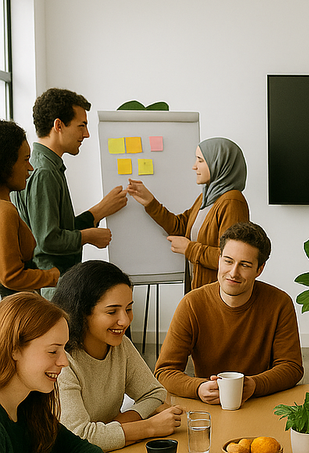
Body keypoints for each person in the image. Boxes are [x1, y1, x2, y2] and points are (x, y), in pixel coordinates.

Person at [0, 292, 146, 453]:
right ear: (13, 349)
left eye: (64, 349)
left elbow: (69, 450)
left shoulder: (27, 402)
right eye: (53, 351)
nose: (64, 362)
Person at [34, 261, 183, 453]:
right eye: (112, 311)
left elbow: (154, 392)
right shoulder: (61, 360)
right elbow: (80, 438)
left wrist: (119, 423)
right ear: (82, 312)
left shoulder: (120, 346)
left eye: (128, 308)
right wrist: (149, 427)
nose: (125, 320)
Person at [154, 221, 303, 403]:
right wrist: (198, 388)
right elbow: (164, 371)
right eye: (228, 261)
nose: (233, 272)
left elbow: (291, 367)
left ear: (259, 269)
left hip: (261, 400)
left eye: (245, 265)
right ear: (219, 259)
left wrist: (255, 384)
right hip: (209, 403)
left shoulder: (280, 303)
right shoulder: (192, 304)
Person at [11, 88, 127, 297]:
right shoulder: (45, 172)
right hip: (52, 290)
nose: (86, 134)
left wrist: (98, 211)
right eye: (81, 125)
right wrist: (88, 236)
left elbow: (57, 228)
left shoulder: (47, 166)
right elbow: (47, 239)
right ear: (58, 125)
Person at [127, 137, 249, 291]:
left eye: (200, 160)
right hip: (198, 289)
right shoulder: (206, 198)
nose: (194, 166)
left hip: (216, 295)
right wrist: (150, 202)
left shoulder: (232, 201)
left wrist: (189, 249)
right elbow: (179, 227)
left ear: (218, 163)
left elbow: (231, 259)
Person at [0, 121, 60, 297]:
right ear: (6, 164)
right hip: (16, 306)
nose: (30, 167)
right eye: (25, 160)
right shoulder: (5, 211)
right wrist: (52, 276)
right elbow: (10, 277)